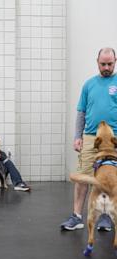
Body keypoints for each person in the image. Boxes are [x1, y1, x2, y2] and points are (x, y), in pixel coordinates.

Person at [61, 47, 117, 231]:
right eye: (103, 64)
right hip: (91, 138)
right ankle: (76, 216)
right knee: (83, 177)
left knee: (110, 179)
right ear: (97, 62)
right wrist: (78, 136)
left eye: (110, 63)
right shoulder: (89, 84)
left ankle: (106, 217)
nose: (107, 67)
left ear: (115, 61)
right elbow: (81, 113)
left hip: (113, 140)